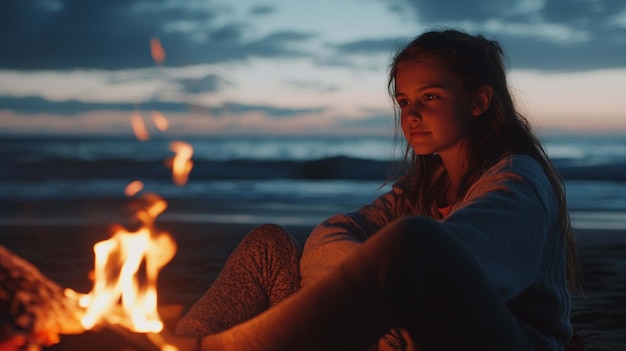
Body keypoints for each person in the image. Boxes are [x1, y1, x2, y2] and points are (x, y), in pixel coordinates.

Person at [171, 28, 580, 351]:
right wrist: (375, 292)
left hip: (496, 339)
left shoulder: (517, 182)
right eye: (403, 102)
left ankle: (215, 348)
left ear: (478, 101)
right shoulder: (422, 188)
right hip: (395, 333)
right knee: (267, 244)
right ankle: (179, 342)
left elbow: (446, 269)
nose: (412, 114)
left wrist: (384, 287)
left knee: (417, 241)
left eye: (430, 97)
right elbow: (328, 236)